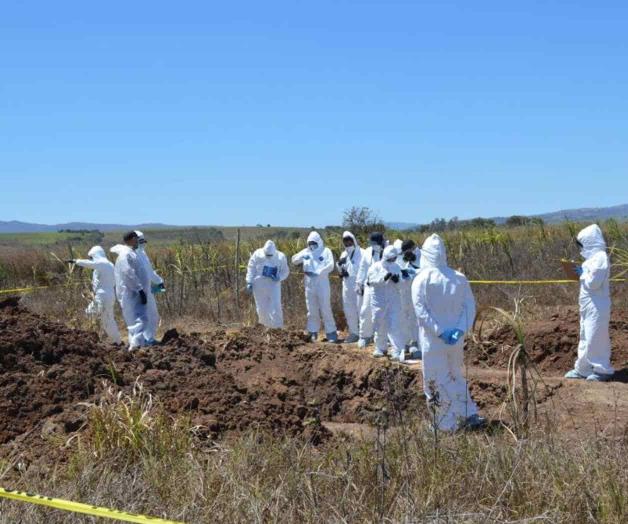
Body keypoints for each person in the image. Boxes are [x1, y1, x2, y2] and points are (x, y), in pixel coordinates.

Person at [412, 234, 484, 431]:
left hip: (433, 341)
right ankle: (468, 413)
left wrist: (439, 331)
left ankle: (445, 425)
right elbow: (470, 306)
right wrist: (460, 329)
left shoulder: (421, 279)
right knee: (455, 375)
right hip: (456, 340)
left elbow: (421, 311)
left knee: (435, 380)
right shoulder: (459, 277)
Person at [564, 224, 615, 382]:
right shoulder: (592, 259)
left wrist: (582, 273)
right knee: (585, 336)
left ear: (590, 241)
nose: (581, 248)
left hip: (597, 305)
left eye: (582, 244)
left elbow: (594, 282)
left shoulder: (600, 256)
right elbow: (588, 278)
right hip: (588, 305)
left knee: (596, 337)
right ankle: (583, 369)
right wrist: (581, 271)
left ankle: (602, 370)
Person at [68, 246, 121, 344]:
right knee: (108, 319)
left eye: (92, 257)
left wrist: (76, 261)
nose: (91, 259)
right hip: (107, 294)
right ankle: (117, 341)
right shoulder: (107, 265)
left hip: (103, 295)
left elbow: (91, 264)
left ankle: (97, 334)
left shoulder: (103, 263)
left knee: (92, 313)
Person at [291, 231, 338, 342]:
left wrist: (320, 271)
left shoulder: (326, 251)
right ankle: (312, 332)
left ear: (319, 242)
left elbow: (330, 265)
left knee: (325, 308)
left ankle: (331, 333)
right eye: (310, 243)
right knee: (311, 310)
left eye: (314, 243)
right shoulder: (306, 251)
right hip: (309, 284)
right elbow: (294, 260)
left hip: (322, 284)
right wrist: (302, 255)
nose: (312, 245)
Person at [110, 231, 149, 350]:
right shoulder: (126, 255)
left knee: (134, 321)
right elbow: (128, 273)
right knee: (141, 319)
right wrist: (140, 290)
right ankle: (136, 345)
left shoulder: (131, 253)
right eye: (136, 239)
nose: (138, 241)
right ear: (132, 239)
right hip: (132, 293)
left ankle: (136, 346)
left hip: (134, 292)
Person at [367, 245, 406, 360]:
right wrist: (384, 278)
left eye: (394, 259)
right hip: (378, 301)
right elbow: (371, 281)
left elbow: (402, 285)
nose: (392, 261)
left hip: (393, 300)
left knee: (394, 325)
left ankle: (397, 350)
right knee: (379, 324)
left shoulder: (396, 267)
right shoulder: (375, 267)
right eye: (390, 259)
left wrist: (397, 281)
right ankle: (380, 347)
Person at [246, 240, 290, 328]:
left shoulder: (281, 257)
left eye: (270, 255)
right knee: (261, 308)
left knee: (276, 306)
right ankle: (264, 327)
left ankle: (278, 328)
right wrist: (249, 281)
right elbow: (251, 267)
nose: (268, 257)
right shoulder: (257, 254)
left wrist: (279, 277)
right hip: (258, 284)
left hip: (273, 285)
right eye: (267, 255)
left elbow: (285, 271)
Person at [355, 232, 386, 348]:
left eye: (375, 243)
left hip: (385, 287)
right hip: (370, 286)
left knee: (384, 313)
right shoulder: (368, 252)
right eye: (372, 243)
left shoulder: (388, 251)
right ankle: (365, 336)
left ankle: (385, 337)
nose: (373, 245)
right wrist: (359, 283)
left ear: (381, 242)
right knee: (365, 310)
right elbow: (362, 268)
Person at [134, 230, 164, 344]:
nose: (143, 244)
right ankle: (146, 340)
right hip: (141, 291)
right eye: (140, 241)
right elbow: (149, 273)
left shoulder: (142, 254)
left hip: (145, 290)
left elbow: (150, 273)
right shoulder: (136, 255)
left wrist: (158, 282)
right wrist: (159, 282)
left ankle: (146, 339)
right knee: (148, 316)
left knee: (149, 315)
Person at [336, 231, 363, 343]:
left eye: (349, 240)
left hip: (358, 285)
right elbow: (341, 269)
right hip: (346, 286)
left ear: (353, 240)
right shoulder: (343, 254)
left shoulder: (362, 253)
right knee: (349, 310)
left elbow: (364, 269)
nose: (348, 243)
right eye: (345, 241)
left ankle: (365, 334)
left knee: (361, 310)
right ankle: (354, 333)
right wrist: (340, 269)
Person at [398, 239, 422, 358]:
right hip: (407, 292)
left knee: (417, 317)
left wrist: (415, 271)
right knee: (407, 317)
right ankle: (411, 341)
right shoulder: (407, 259)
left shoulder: (422, 256)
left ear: (413, 248)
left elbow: (428, 271)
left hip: (420, 293)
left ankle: (419, 343)